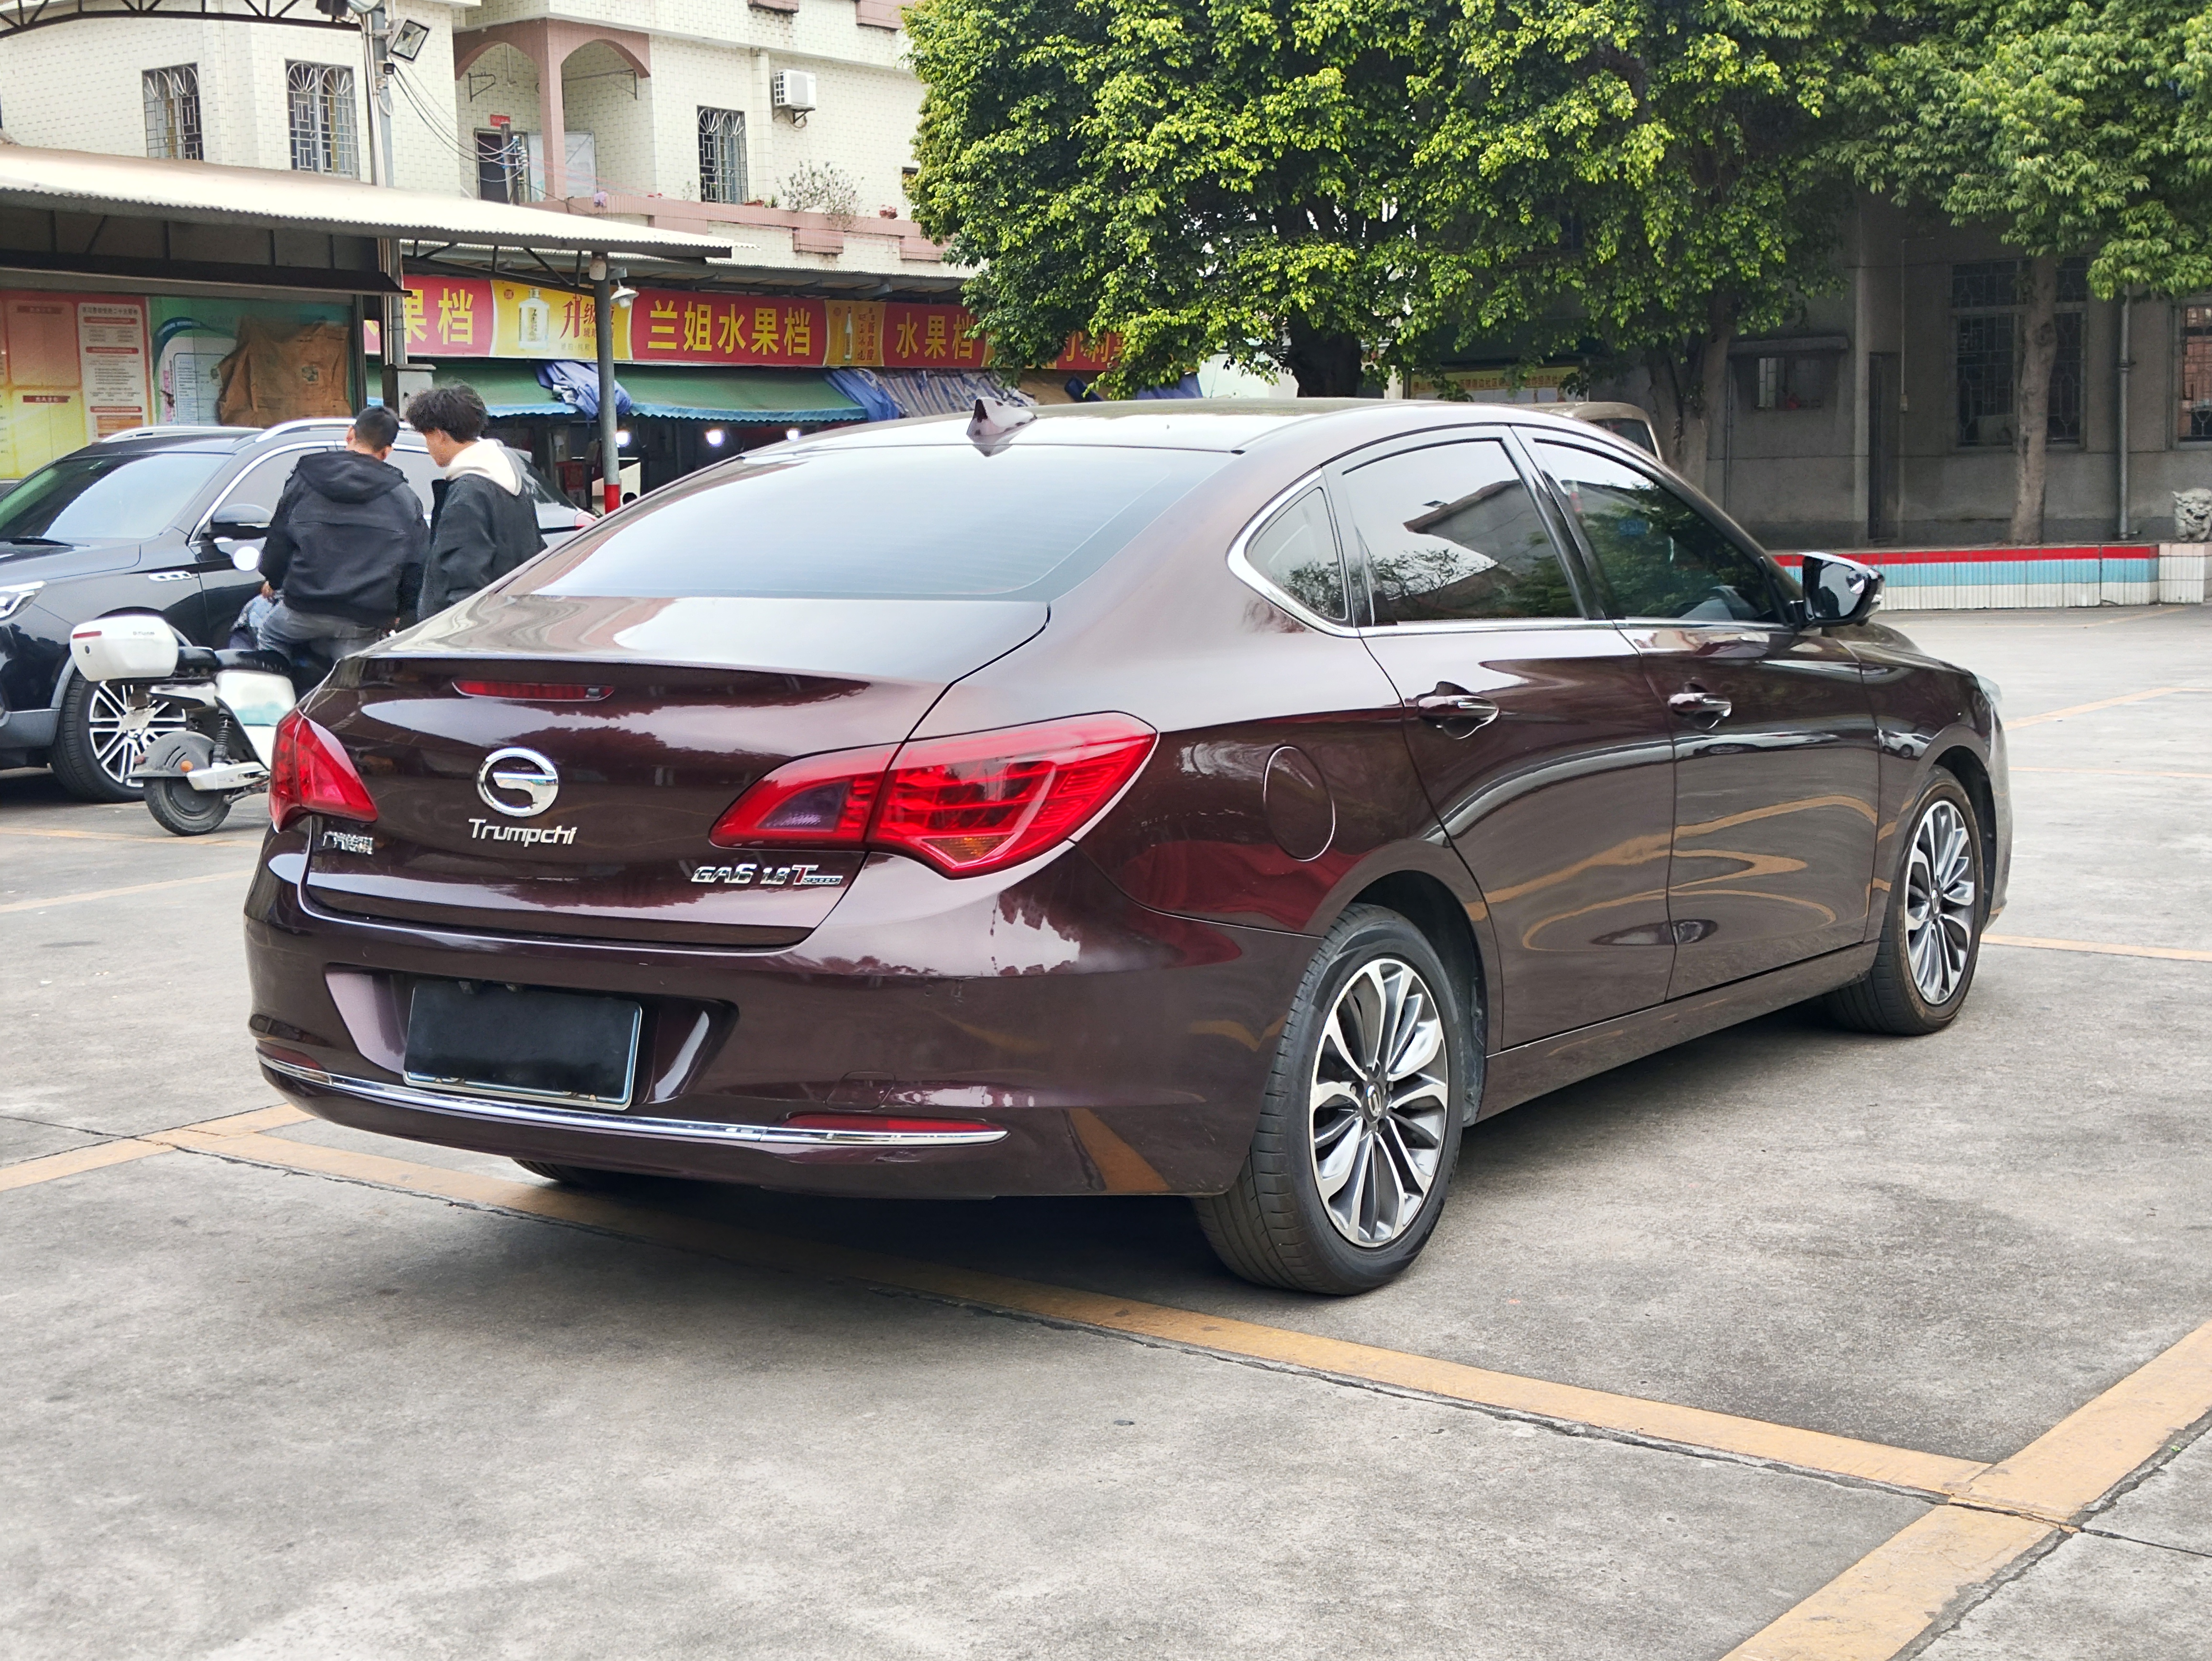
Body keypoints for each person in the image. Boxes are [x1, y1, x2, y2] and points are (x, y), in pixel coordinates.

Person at [256, 405, 428, 661]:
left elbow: (280, 536)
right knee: (351, 685)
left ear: (350, 434)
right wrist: (402, 613)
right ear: (386, 452)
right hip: (363, 619)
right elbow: (417, 562)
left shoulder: (305, 478)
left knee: (269, 636)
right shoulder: (404, 497)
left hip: (304, 608)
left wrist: (273, 580)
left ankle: (279, 696)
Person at [404, 383, 544, 619]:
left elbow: (463, 580)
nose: (428, 447)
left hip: (472, 636)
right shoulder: (510, 482)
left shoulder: (468, 493)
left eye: (427, 437)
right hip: (512, 621)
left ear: (439, 435)